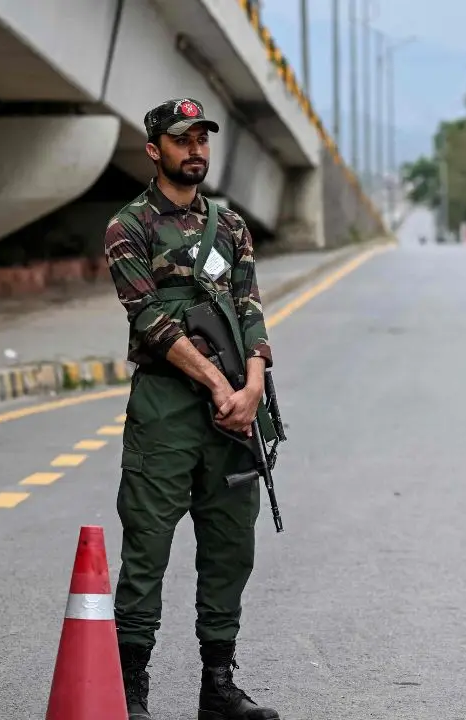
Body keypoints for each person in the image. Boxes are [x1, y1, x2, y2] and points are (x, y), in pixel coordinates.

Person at [102, 97, 281, 720]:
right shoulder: (130, 226)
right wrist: (216, 384)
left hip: (235, 409)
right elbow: (149, 320)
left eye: (202, 138)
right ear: (156, 150)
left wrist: (252, 383)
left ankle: (219, 684)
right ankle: (132, 688)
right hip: (167, 407)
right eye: (182, 140)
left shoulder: (230, 227)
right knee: (147, 546)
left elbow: (250, 305)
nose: (196, 149)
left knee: (231, 544)